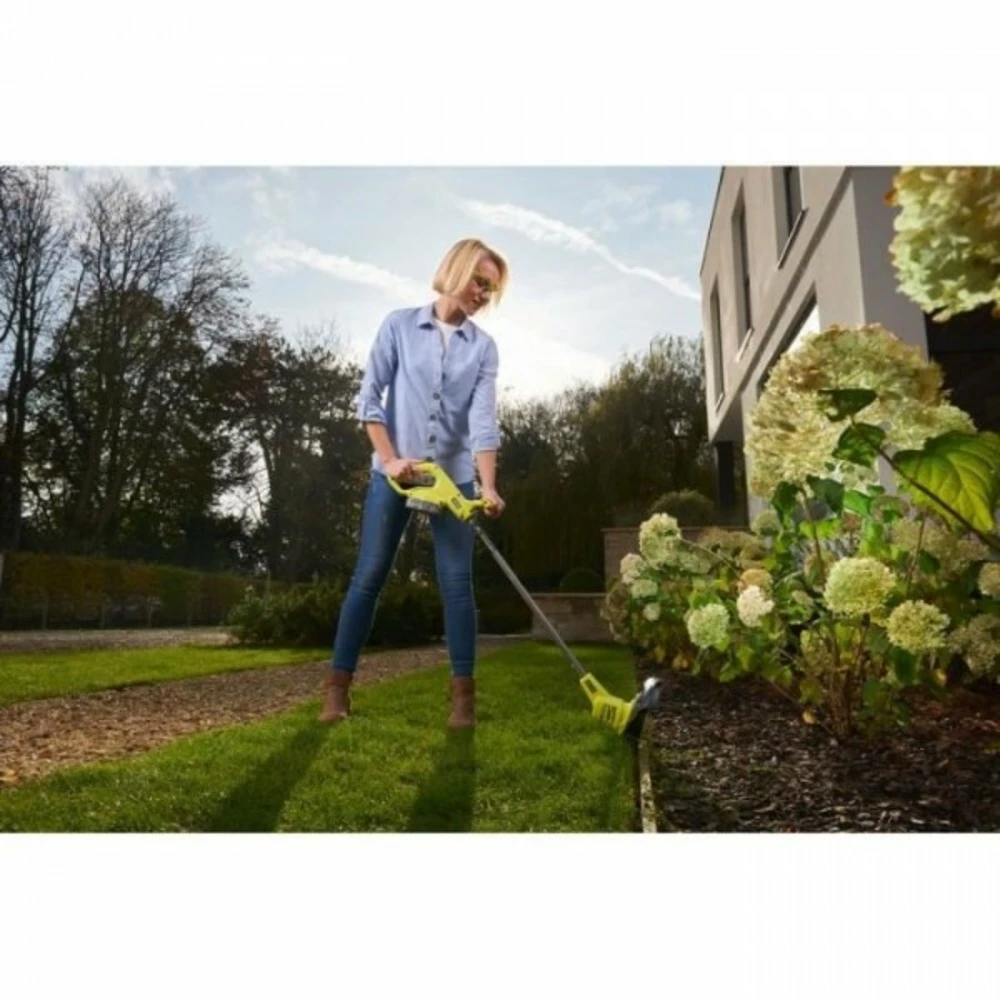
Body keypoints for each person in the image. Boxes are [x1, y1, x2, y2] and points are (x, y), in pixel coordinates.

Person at [320, 237, 509, 729]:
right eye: (479, 281)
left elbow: (483, 422)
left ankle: (463, 700)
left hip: (453, 480)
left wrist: (487, 486)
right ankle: (337, 690)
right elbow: (370, 399)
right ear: (456, 270)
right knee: (369, 576)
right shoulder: (399, 326)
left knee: (457, 585)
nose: (483, 294)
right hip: (396, 476)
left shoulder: (483, 349)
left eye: (490, 288)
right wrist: (389, 459)